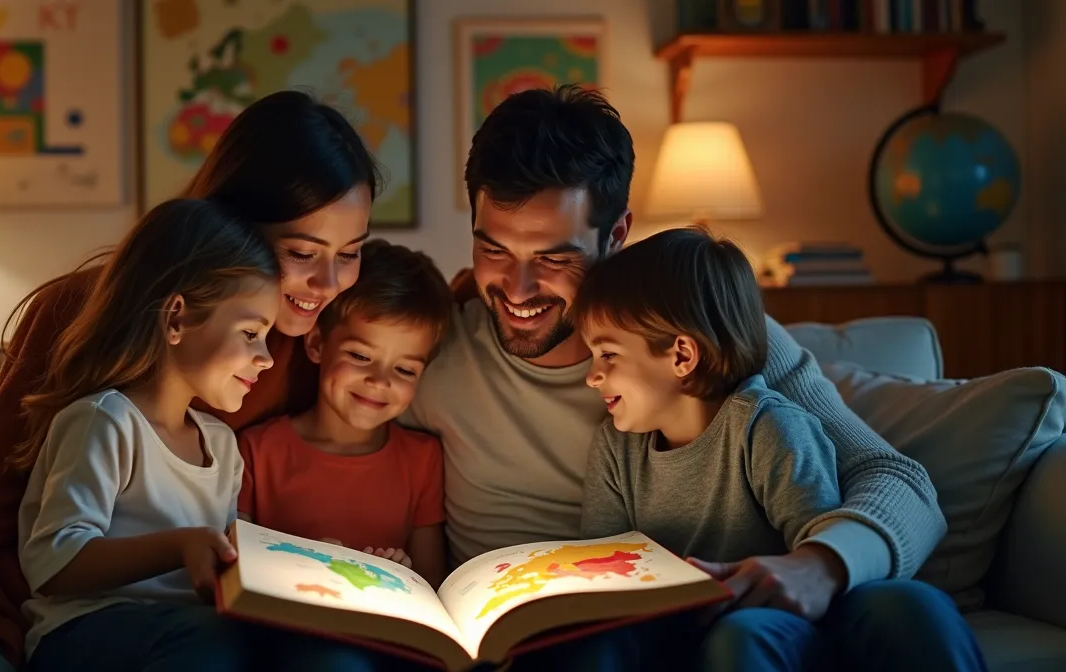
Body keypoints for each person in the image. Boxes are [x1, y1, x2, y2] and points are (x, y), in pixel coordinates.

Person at [0, 90, 382, 672]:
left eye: (351, 253)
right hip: (33, 605)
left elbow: (431, 317)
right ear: (230, 230)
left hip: (196, 617)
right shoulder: (92, 314)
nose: (328, 283)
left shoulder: (328, 345)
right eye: (302, 252)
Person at [399, 84, 968, 668]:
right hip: (567, 630)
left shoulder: (704, 332)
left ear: (616, 235)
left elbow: (897, 480)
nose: (516, 290)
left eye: (552, 258)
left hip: (732, 610)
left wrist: (820, 564)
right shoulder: (425, 354)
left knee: (908, 611)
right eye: (493, 250)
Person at [576, 226, 987, 672]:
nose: (592, 377)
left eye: (608, 356)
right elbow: (605, 561)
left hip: (772, 622)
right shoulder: (617, 447)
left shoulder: (768, 427)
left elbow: (812, 553)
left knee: (753, 633)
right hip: (669, 624)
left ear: (682, 356)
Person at [14, 198, 282, 669]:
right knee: (211, 645)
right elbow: (52, 562)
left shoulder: (221, 444)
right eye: (250, 333)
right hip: (84, 632)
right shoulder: (104, 420)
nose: (267, 357)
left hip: (190, 631)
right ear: (177, 317)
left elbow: (224, 559)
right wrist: (180, 545)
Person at [237, 239, 453, 589]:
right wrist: (307, 567)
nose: (379, 381)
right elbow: (236, 575)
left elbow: (431, 583)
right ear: (317, 344)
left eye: (404, 370)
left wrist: (395, 578)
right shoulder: (255, 452)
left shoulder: (423, 459)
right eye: (360, 356)